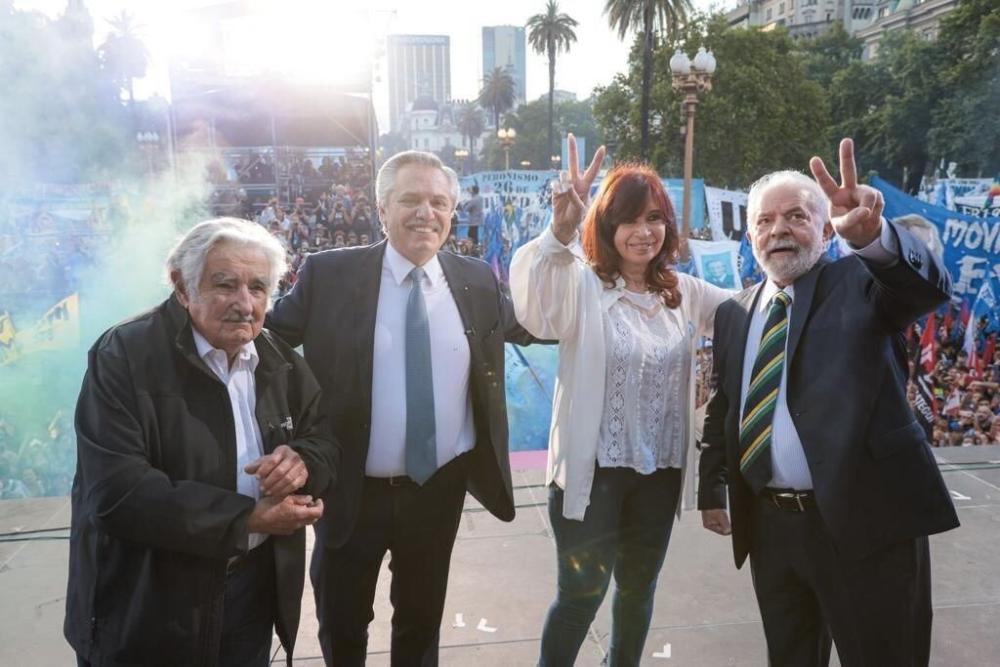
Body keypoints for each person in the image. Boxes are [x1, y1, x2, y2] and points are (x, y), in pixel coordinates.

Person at [266, 150, 535, 665]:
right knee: (343, 630)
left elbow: (538, 322)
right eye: (410, 199)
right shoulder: (330, 275)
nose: (425, 213)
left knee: (420, 628)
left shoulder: (476, 279)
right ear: (382, 207)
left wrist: (563, 246)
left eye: (438, 202)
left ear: (453, 212)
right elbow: (264, 344)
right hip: (348, 493)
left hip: (437, 490)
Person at [697, 139, 959, 666]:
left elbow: (926, 289)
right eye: (765, 221)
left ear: (823, 229)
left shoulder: (861, 282)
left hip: (866, 524)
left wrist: (874, 240)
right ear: (749, 236)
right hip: (771, 530)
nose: (779, 231)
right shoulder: (734, 314)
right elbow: (726, 405)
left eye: (797, 216)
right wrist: (711, 487)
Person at [65, 218, 340, 666]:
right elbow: (116, 494)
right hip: (148, 607)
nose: (244, 304)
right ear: (181, 285)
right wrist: (246, 518)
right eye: (225, 284)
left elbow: (324, 438)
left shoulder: (280, 360)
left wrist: (304, 461)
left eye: (258, 287)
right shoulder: (124, 356)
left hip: (250, 598)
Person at [509, 134, 732, 666]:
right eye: (629, 220)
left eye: (655, 218)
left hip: (659, 473)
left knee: (637, 594)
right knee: (580, 598)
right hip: (594, 475)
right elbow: (534, 309)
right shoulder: (582, 286)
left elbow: (755, 311)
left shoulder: (684, 293)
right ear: (607, 228)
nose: (644, 232)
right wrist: (559, 230)